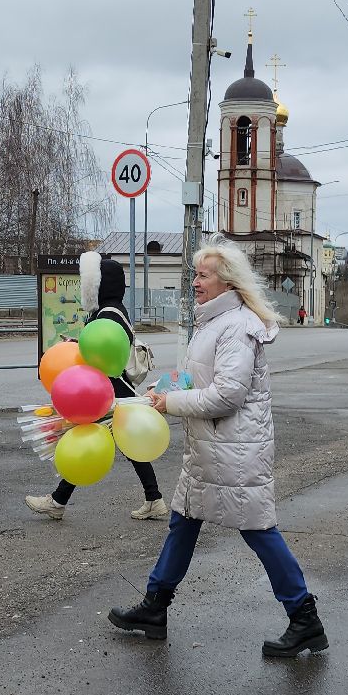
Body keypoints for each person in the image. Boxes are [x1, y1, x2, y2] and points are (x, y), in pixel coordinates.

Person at [106, 244, 330, 657]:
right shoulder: (214, 323)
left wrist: (168, 404)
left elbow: (227, 395)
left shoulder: (238, 326)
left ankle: (304, 619)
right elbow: (196, 378)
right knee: (183, 521)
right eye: (195, 275)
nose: (195, 282)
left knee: (259, 530)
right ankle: (155, 607)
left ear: (227, 280)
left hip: (235, 449)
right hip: (210, 447)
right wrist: (165, 387)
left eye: (203, 275)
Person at [26, 252, 167, 521]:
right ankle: (154, 499)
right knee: (127, 444)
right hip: (112, 388)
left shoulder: (109, 314)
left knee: (85, 440)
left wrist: (76, 349)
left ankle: (57, 501)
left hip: (108, 390)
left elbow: (101, 353)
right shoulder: (111, 310)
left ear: (101, 285)